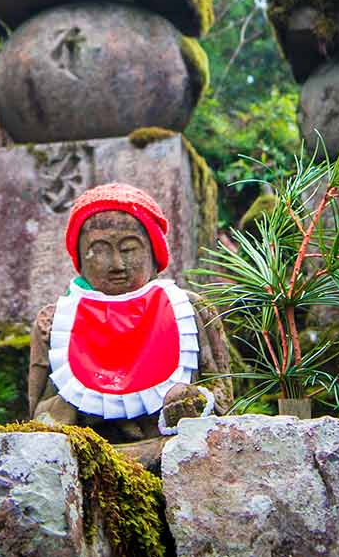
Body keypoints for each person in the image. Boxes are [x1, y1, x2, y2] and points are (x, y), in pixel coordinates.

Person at [27, 183, 232, 468]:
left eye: (129, 249)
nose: (117, 264)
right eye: (98, 250)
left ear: (153, 254)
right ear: (80, 257)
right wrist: (61, 410)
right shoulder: (56, 322)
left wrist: (196, 400)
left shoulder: (189, 309)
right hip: (88, 458)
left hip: (172, 452)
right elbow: (38, 415)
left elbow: (222, 392)